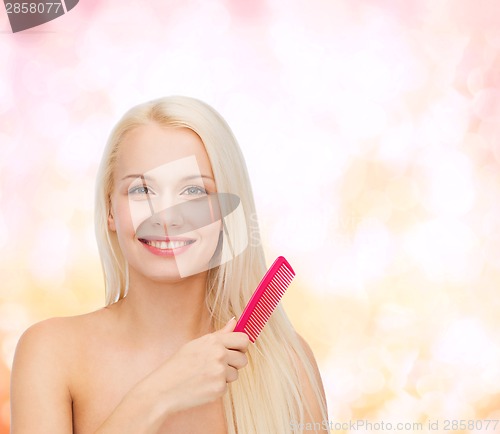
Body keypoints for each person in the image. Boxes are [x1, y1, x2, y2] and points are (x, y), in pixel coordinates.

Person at [10, 96, 329, 433]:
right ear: (110, 211)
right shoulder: (51, 353)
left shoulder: (286, 363)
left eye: (193, 191)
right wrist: (159, 395)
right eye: (141, 190)